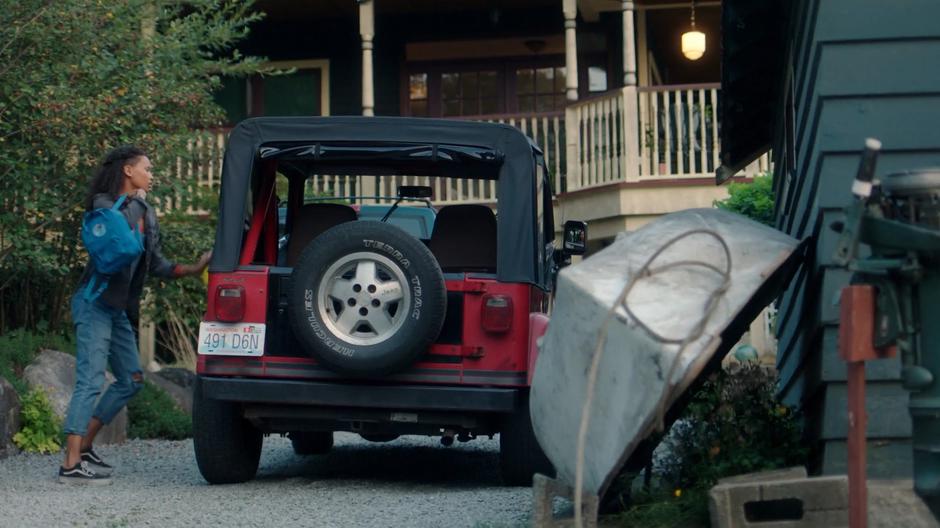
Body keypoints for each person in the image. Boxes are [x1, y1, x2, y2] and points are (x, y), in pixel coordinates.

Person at [58, 145, 211, 485]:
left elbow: (154, 262)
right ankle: (69, 464)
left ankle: (83, 446)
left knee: (131, 379)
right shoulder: (103, 205)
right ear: (128, 171)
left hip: (117, 310)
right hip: (94, 303)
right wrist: (139, 200)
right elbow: (123, 236)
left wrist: (195, 267)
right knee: (90, 380)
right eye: (147, 168)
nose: (151, 175)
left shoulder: (146, 212)